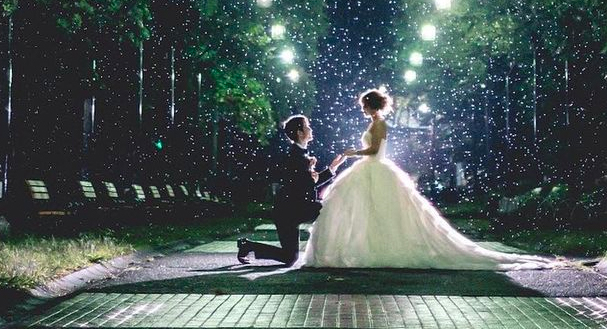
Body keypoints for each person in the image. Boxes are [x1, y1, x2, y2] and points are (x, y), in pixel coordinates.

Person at [300, 88, 555, 270]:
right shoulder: (374, 123)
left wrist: (353, 152)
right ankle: (367, 247)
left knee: (381, 210)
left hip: (375, 168)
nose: (362, 109)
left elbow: (376, 150)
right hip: (369, 170)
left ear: (371, 106)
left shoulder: (379, 125)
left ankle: (381, 249)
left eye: (364, 105)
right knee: (367, 210)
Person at [237, 115, 345, 265]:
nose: (310, 129)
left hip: (298, 207)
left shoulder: (301, 154)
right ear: (300, 133)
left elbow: (310, 182)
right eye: (307, 126)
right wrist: (310, 175)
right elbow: (301, 183)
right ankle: (247, 246)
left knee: (290, 256)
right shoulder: (294, 156)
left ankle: (247, 245)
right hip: (287, 211)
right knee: (290, 258)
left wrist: (332, 168)